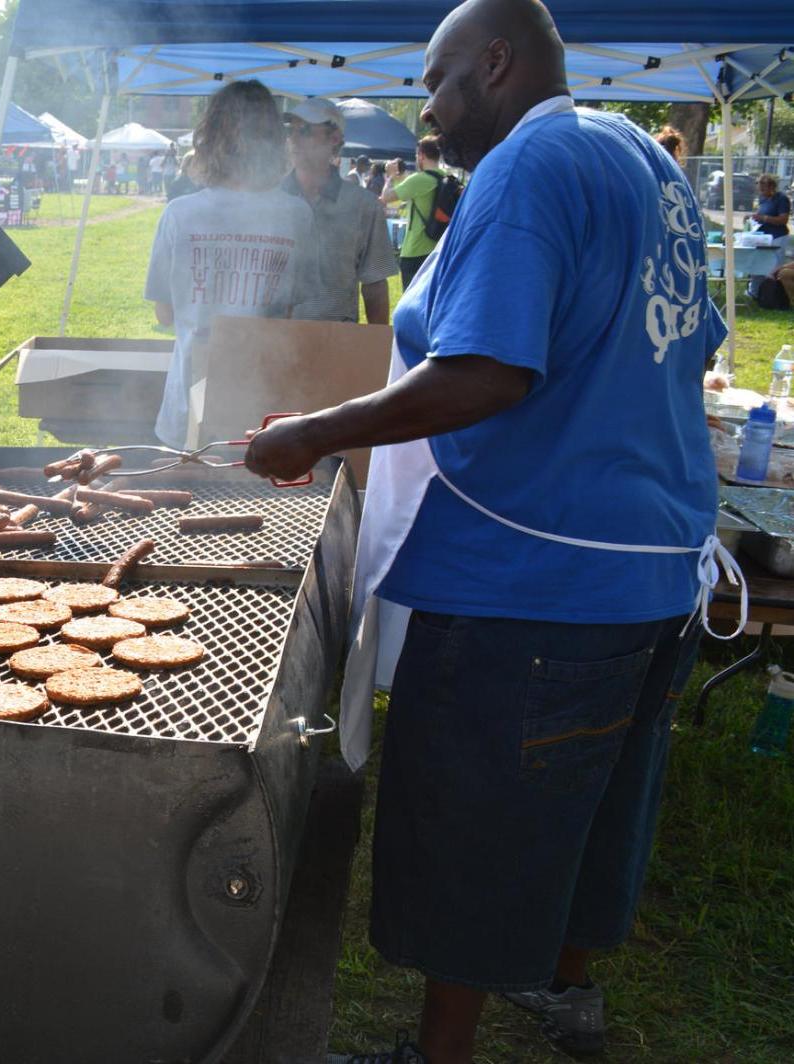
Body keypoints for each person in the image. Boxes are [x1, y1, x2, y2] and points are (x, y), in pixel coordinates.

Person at [244, 2, 725, 1061]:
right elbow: (688, 342)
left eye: (436, 78)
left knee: (475, 821)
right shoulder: (646, 156)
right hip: (657, 566)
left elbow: (488, 369)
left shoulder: (524, 166)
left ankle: (438, 1051)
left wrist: (317, 431)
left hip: (532, 578)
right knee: (592, 801)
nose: (425, 106)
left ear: (495, 65)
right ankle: (564, 990)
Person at [143, 79, 311, 448]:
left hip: (189, 402)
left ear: (209, 139)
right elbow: (287, 313)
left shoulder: (180, 214)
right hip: (263, 405)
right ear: (273, 140)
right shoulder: (297, 215)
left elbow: (164, 313)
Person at [283, 98, 399, 323]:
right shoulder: (270, 200)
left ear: (334, 139)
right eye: (291, 130)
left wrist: (377, 350)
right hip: (276, 341)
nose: (294, 138)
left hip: (337, 341)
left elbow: (375, 285)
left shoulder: (363, 205)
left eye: (305, 130)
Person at [382, 135, 451, 286]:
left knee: (410, 306)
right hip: (438, 250)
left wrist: (390, 177)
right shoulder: (446, 178)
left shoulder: (420, 179)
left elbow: (385, 197)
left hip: (415, 251)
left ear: (421, 155)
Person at [751, 173, 789, 239]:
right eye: (759, 189)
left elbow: (783, 220)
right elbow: (761, 213)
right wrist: (752, 217)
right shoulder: (762, 197)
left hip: (777, 237)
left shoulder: (781, 198)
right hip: (763, 237)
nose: (760, 191)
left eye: (763, 189)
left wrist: (764, 218)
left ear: (771, 186)